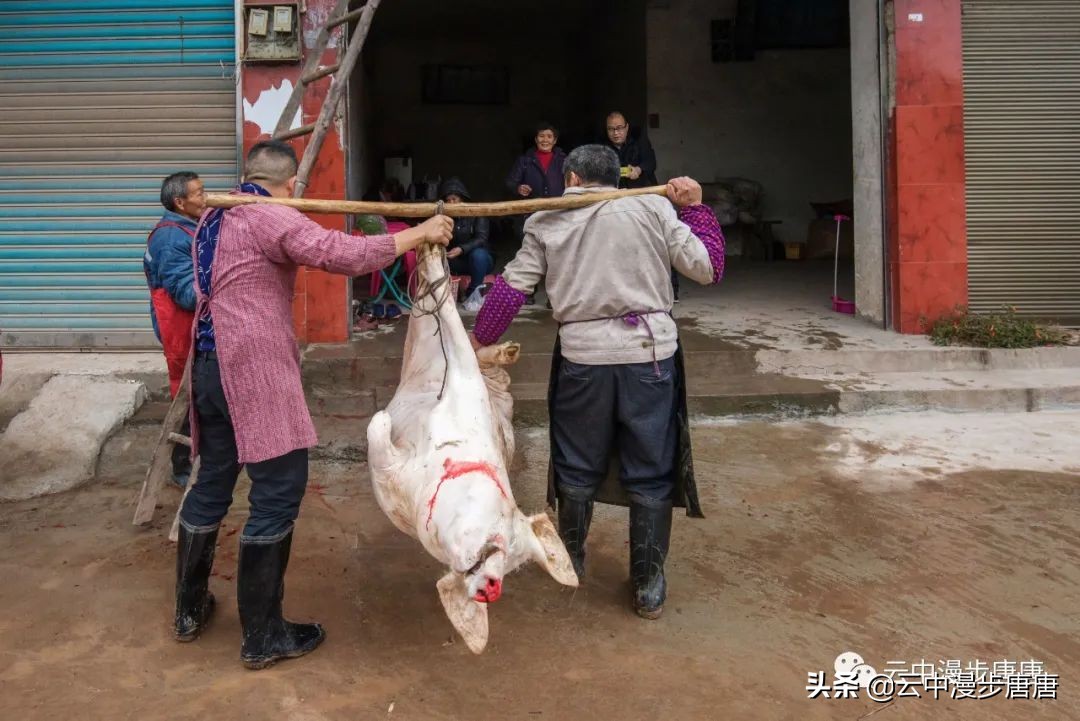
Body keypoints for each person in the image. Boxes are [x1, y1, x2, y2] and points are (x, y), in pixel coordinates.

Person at [174, 139, 452, 669]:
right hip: (251, 368)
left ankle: (188, 611)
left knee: (211, 482)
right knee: (278, 488)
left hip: (209, 367)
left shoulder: (217, 214)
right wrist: (419, 233)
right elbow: (340, 255)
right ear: (291, 181)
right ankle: (263, 635)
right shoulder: (267, 215)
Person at [469, 145, 725, 620]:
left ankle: (571, 560)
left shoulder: (549, 217)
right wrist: (698, 210)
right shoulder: (653, 207)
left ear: (570, 178)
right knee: (651, 465)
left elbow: (511, 289)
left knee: (577, 459)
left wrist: (477, 340)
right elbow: (709, 268)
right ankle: (648, 584)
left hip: (583, 361)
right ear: (617, 179)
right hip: (650, 359)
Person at [144, 171, 205, 487]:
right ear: (180, 202)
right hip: (180, 328)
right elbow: (184, 292)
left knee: (196, 393)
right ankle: (183, 468)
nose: (205, 198)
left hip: (189, 326)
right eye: (199, 193)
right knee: (187, 397)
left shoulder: (187, 228)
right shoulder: (171, 237)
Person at [605, 111, 679, 300]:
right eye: (611, 129)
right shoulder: (602, 148)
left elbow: (651, 163)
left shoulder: (640, 141)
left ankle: (672, 288)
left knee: (657, 239)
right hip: (617, 201)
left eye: (619, 128)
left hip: (645, 195)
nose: (616, 133)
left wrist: (638, 169)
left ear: (627, 127)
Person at [505, 122, 567, 306]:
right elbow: (510, 181)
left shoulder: (564, 160)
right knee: (530, 253)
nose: (545, 140)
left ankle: (553, 296)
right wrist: (518, 187)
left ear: (555, 140)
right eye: (541, 136)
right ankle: (528, 292)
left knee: (556, 254)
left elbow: (574, 181)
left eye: (549, 136)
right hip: (530, 215)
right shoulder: (525, 160)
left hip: (557, 214)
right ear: (535, 139)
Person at [440, 177, 494, 306]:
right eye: (448, 201)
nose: (451, 203)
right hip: (456, 262)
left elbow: (481, 238)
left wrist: (461, 249)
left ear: (462, 199)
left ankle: (473, 294)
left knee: (479, 254)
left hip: (480, 262)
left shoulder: (476, 212)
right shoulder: (444, 217)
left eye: (454, 199)